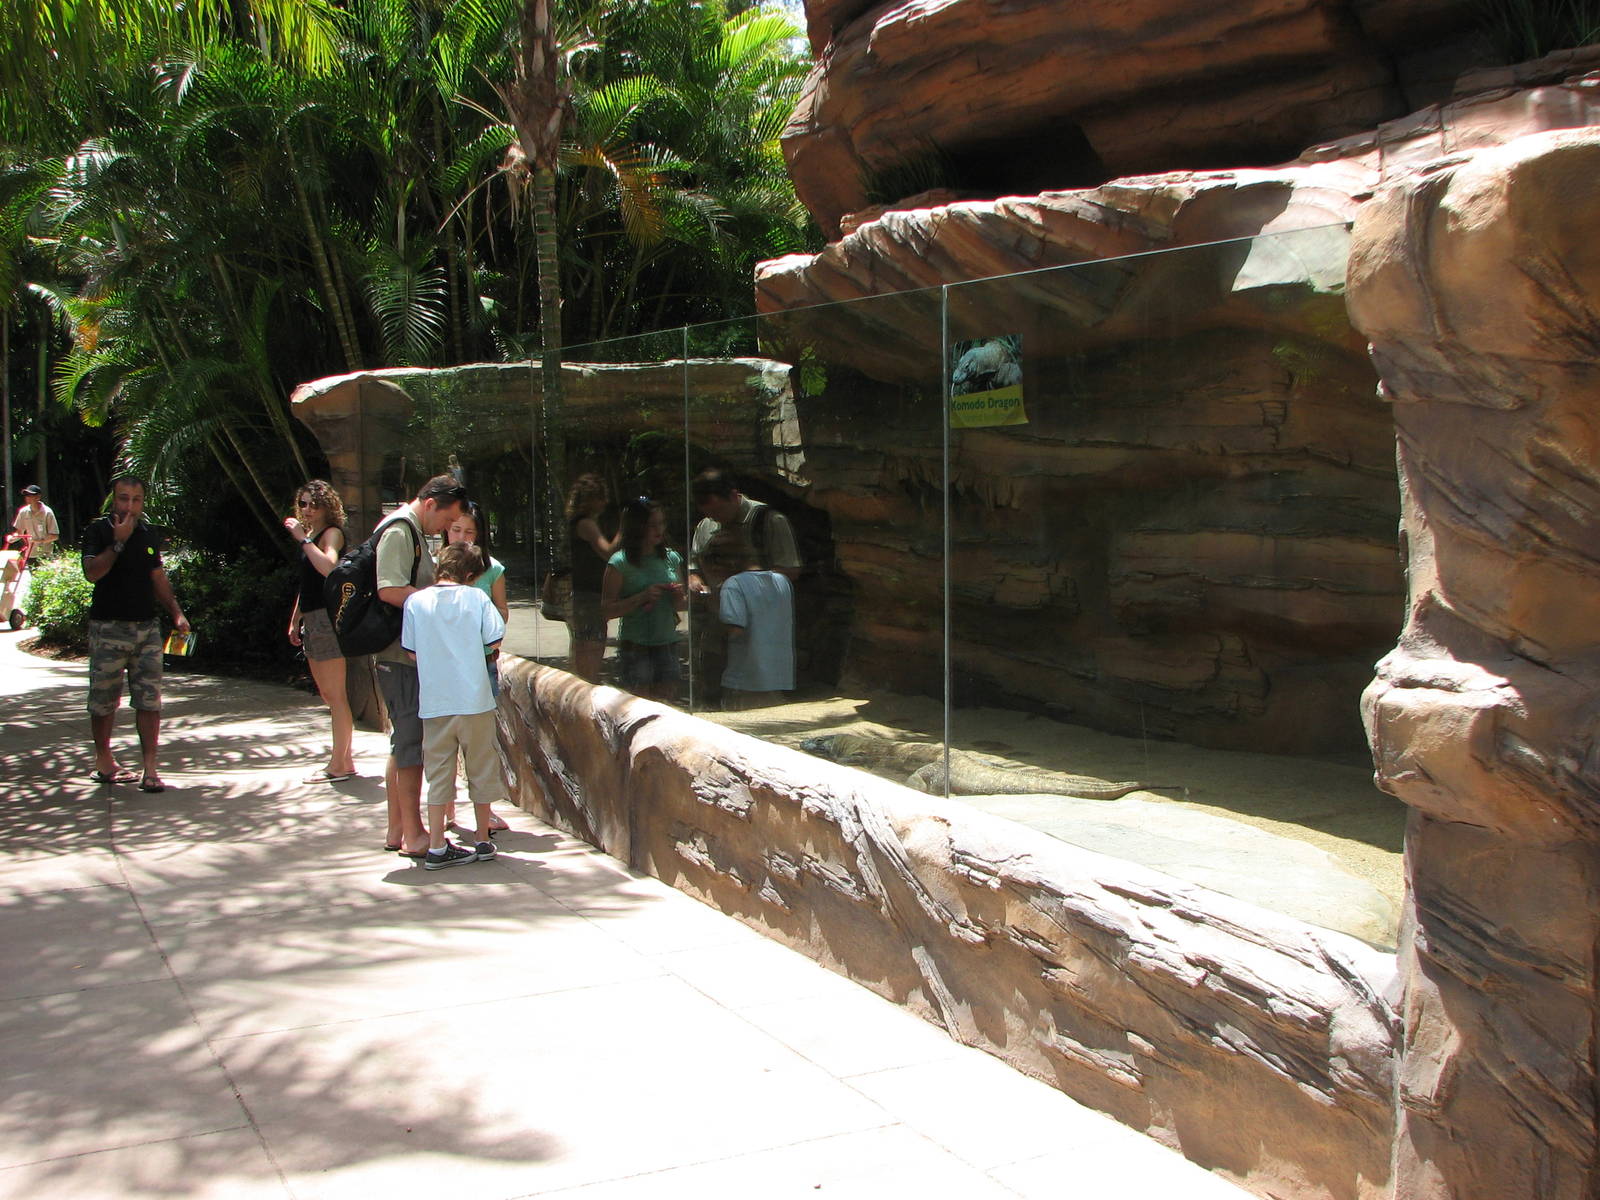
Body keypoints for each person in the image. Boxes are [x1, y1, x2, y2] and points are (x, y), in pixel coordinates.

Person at [372, 474, 469, 858]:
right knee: (410, 744)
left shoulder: (408, 531)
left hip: (403, 657)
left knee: (404, 743)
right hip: (399, 658)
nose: (446, 530)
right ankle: (415, 834)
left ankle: (400, 828)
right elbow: (390, 589)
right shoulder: (401, 530)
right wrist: (437, 604)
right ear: (431, 504)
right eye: (446, 522)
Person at [401, 541, 506, 870]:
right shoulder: (476, 598)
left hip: (435, 702)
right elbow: (494, 638)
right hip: (474, 699)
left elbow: (411, 651)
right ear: (472, 575)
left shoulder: (416, 602)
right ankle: (482, 838)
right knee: (480, 767)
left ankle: (435, 846)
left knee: (439, 773)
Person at [80, 476, 189, 792]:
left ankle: (151, 769)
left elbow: (157, 576)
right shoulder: (98, 531)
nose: (129, 505)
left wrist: (176, 611)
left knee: (149, 700)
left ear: (143, 502)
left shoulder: (148, 533)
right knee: (103, 701)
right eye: (124, 498)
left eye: (136, 499)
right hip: (108, 627)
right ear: (114, 499)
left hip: (146, 629)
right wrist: (118, 541)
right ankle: (104, 761)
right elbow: (92, 573)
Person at [686, 468, 799, 704]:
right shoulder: (706, 525)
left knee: (756, 691)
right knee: (713, 686)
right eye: (708, 513)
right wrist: (696, 583)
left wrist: (742, 585)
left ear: (734, 495)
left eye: (718, 510)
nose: (714, 517)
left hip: (759, 629)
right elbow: (693, 568)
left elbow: (790, 570)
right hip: (715, 621)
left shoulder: (769, 521)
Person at [442, 501, 510, 835]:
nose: (463, 537)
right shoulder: (434, 569)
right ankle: (446, 805)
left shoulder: (493, 569)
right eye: (457, 530)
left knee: (480, 740)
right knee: (444, 739)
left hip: (481, 664)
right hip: (443, 668)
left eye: (470, 532)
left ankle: (485, 811)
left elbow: (502, 612)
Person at [283, 480, 355, 784]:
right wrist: (296, 617)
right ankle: (345, 759)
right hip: (312, 619)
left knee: (336, 695)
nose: (308, 509)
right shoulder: (311, 537)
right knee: (327, 694)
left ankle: (338, 764)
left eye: (314, 503)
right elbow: (308, 582)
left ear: (328, 506)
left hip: (328, 620)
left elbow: (329, 569)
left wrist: (302, 540)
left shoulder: (331, 535)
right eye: (303, 504)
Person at [600, 497, 686, 703]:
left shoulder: (671, 558)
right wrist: (642, 597)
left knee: (666, 704)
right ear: (637, 528)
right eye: (652, 525)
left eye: (662, 523)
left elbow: (682, 605)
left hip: (667, 644)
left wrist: (679, 596)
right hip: (635, 646)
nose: (659, 530)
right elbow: (606, 611)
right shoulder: (619, 562)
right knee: (639, 705)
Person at [699, 530, 795, 709]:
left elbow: (734, 630)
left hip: (744, 682)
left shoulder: (733, 585)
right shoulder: (782, 581)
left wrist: (712, 605)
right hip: (778, 680)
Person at [565, 473, 618, 682]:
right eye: (600, 497)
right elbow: (607, 552)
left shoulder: (575, 522)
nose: (605, 502)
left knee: (582, 647)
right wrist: (625, 528)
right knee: (590, 650)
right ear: (590, 499)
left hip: (583, 595)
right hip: (588, 596)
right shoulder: (585, 523)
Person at [9, 484, 59, 555]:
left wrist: (39, 541)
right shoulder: (23, 511)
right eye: (26, 495)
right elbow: (19, 532)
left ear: (38, 497)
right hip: (30, 554)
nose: (27, 497)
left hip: (45, 554)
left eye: (30, 495)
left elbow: (55, 536)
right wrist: (12, 538)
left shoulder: (48, 512)